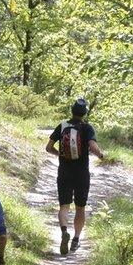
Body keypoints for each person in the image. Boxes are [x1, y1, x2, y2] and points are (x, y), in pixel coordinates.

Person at [46, 98, 104, 255]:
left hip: (64, 171)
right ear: (84, 113)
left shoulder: (62, 126)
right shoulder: (87, 128)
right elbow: (92, 147)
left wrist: (61, 154)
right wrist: (101, 155)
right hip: (81, 174)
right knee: (80, 207)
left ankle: (64, 231)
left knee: (64, 206)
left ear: (72, 111)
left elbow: (48, 147)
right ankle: (76, 240)